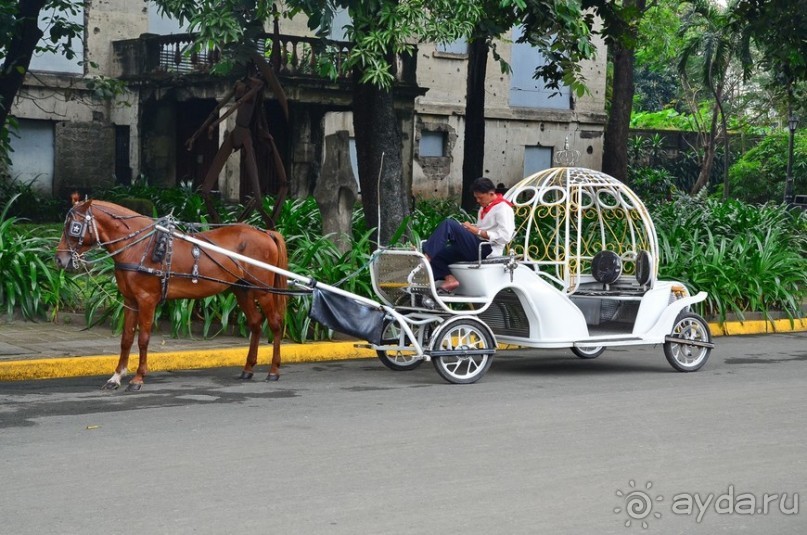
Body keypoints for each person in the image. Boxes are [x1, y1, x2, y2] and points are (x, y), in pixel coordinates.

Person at [422, 177, 515, 293]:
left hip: (487, 249)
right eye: (476, 197)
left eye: (480, 197)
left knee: (448, 224)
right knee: (437, 254)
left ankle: (425, 259)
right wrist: (471, 228)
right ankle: (450, 280)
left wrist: (476, 231)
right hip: (476, 245)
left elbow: (505, 237)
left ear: (491, 194)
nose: (477, 200)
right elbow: (484, 228)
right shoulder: (483, 208)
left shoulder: (503, 208)